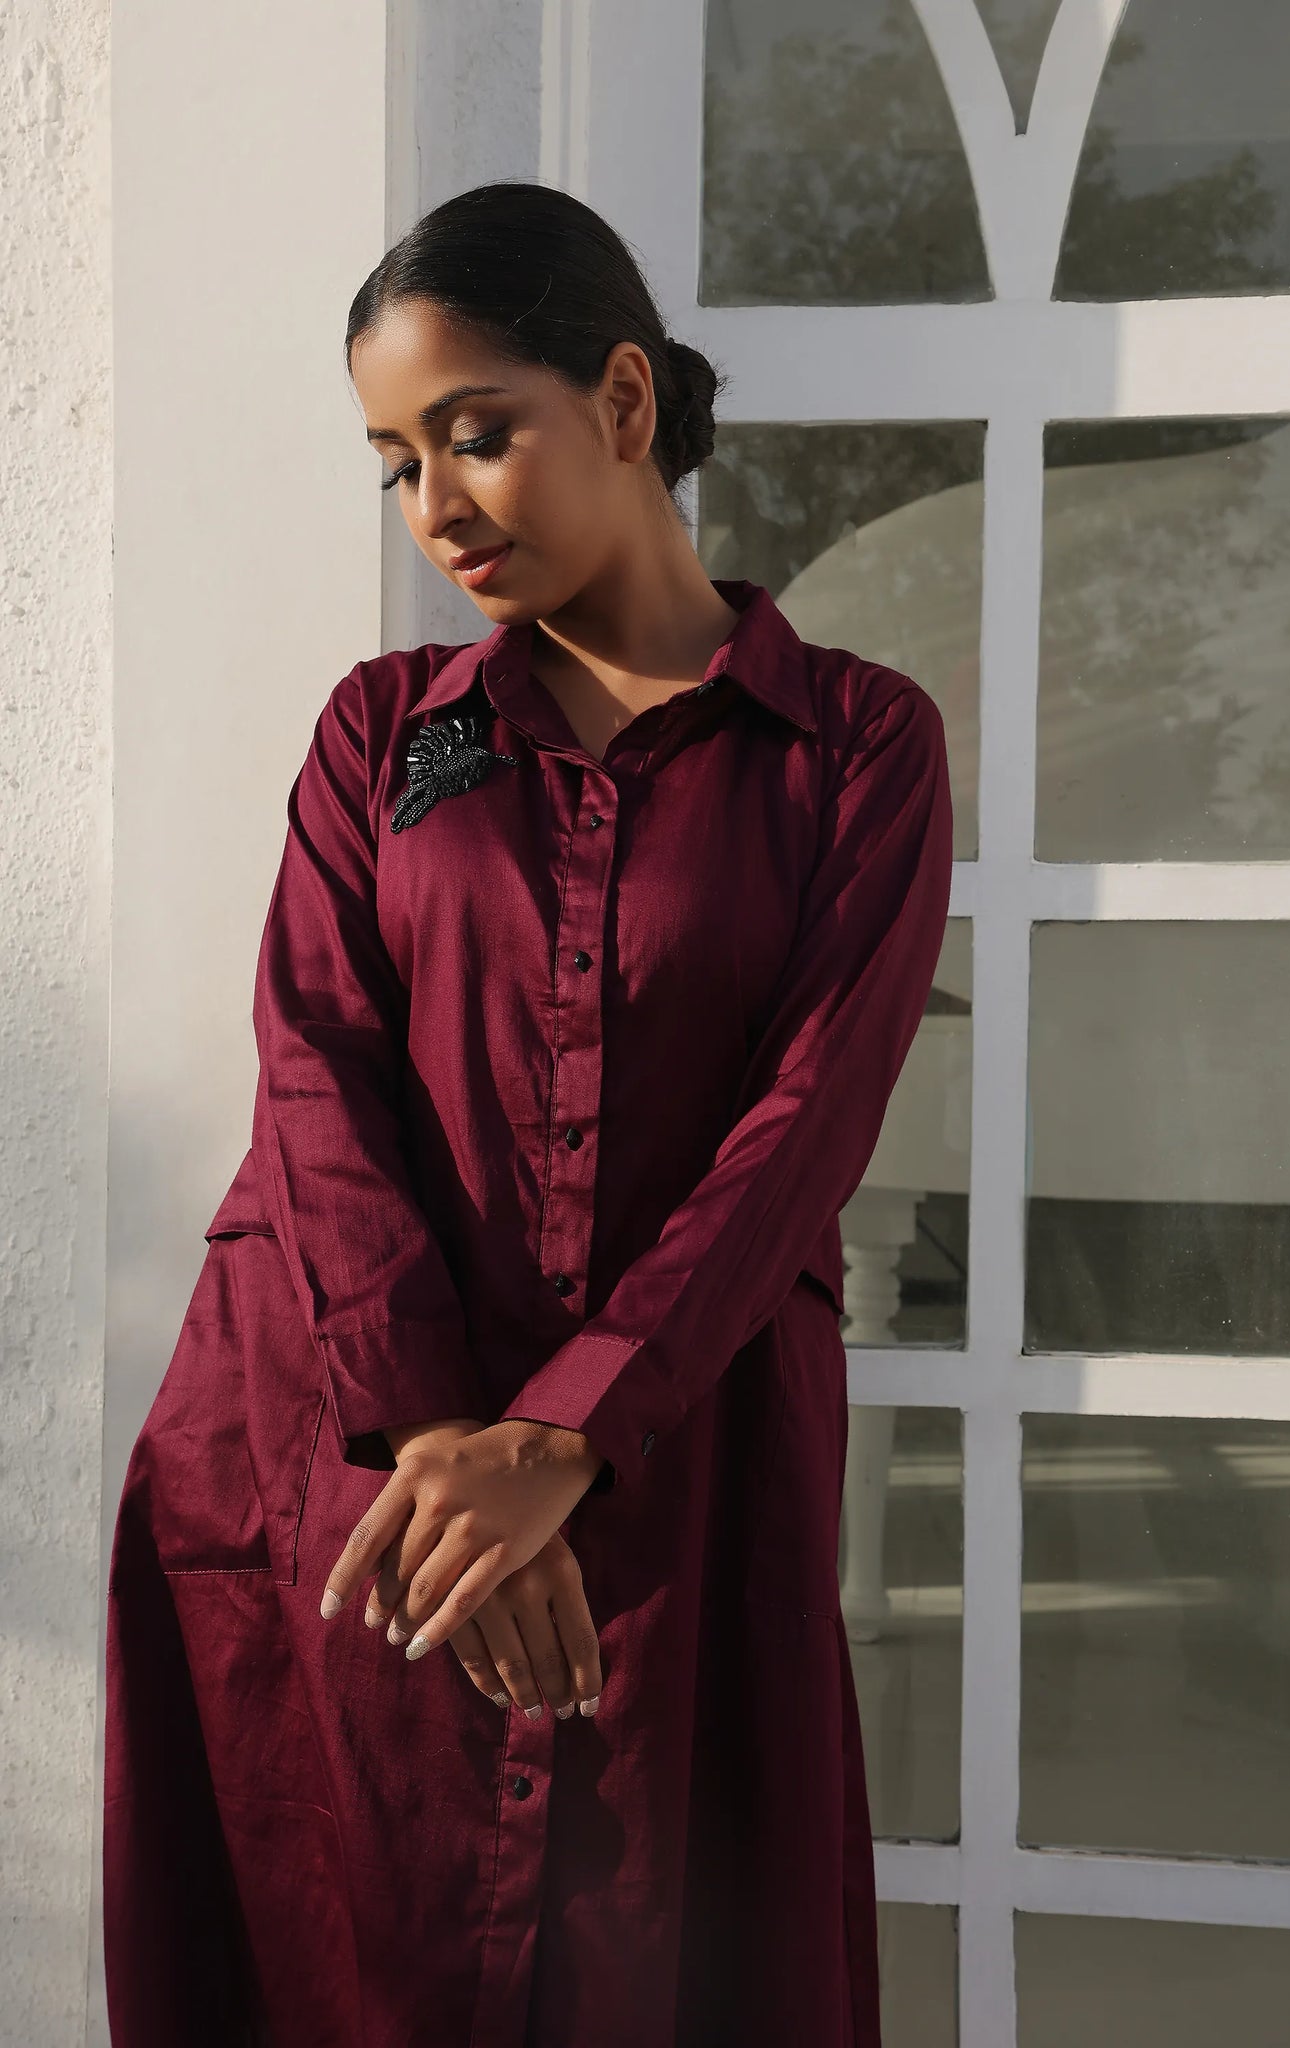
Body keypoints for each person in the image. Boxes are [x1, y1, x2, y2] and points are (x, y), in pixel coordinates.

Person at [102, 179, 953, 2048]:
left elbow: (803, 1125)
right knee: (352, 1949)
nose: (436, 505)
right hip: (350, 1459)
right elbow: (312, 1067)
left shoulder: (854, 748)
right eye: (395, 463)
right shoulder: (383, 733)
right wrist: (445, 1451)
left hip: (680, 1456)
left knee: (674, 1941)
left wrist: (565, 1435)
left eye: (476, 433)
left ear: (623, 401)